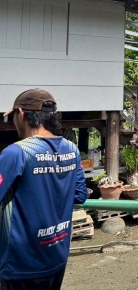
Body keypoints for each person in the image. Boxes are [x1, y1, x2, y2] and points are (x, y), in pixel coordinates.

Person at [0, 89, 87, 290]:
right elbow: (80, 194)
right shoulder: (71, 149)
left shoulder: (17, 152)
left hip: (21, 265)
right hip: (56, 258)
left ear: (21, 113)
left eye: (13, 116)